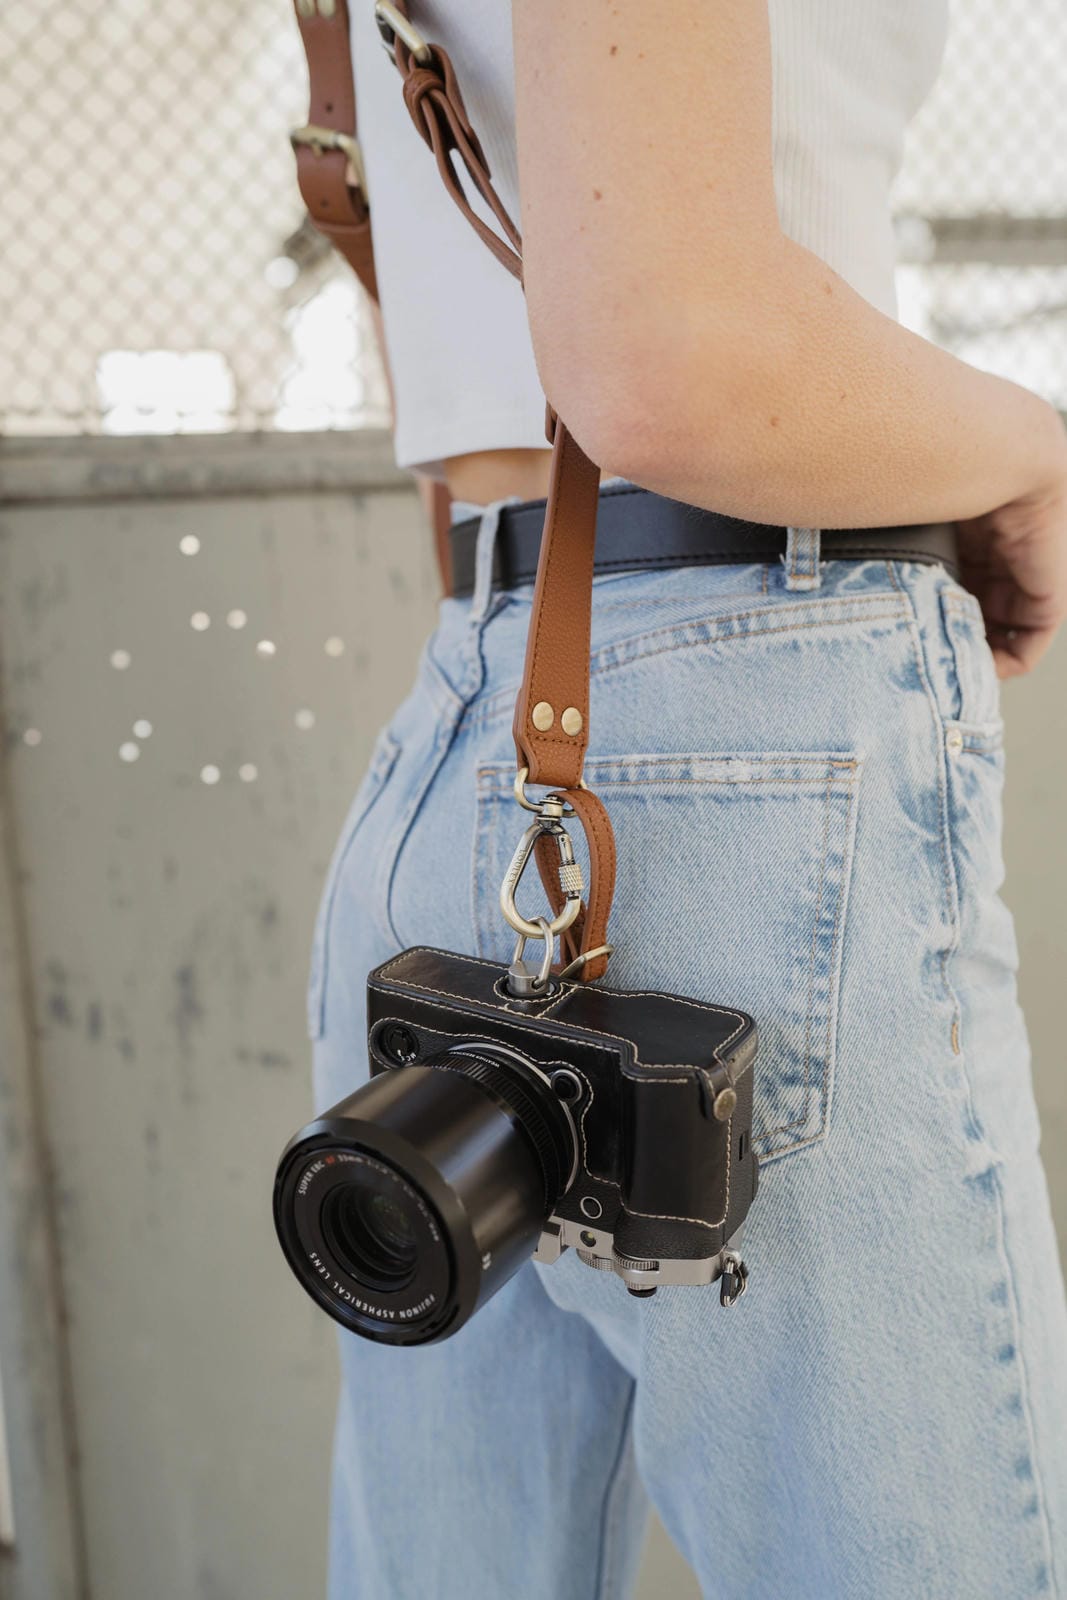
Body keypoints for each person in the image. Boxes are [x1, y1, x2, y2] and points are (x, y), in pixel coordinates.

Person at [308, 3, 1067, 1595]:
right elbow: (669, 356)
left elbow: (464, 403)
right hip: (756, 709)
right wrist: (1037, 451)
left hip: (469, 713)